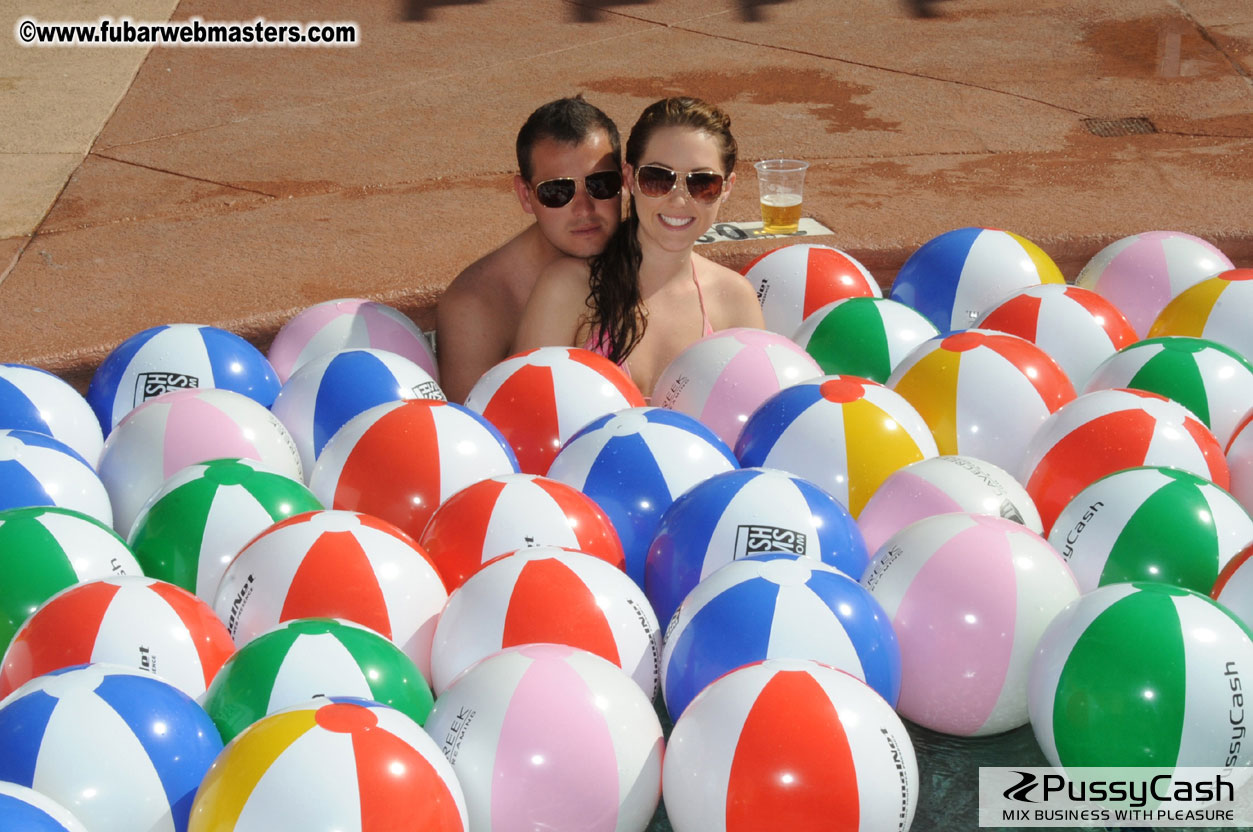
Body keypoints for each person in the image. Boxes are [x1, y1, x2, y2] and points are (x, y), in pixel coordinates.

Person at [513, 96, 765, 400]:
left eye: (702, 183)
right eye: (658, 179)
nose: (678, 199)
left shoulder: (736, 299)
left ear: (726, 188)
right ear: (630, 179)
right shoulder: (568, 289)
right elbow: (524, 412)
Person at [436, 96, 623, 403]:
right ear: (526, 195)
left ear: (625, 181)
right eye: (557, 192)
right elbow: (476, 434)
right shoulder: (477, 305)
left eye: (601, 184)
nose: (584, 209)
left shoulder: (646, 256)